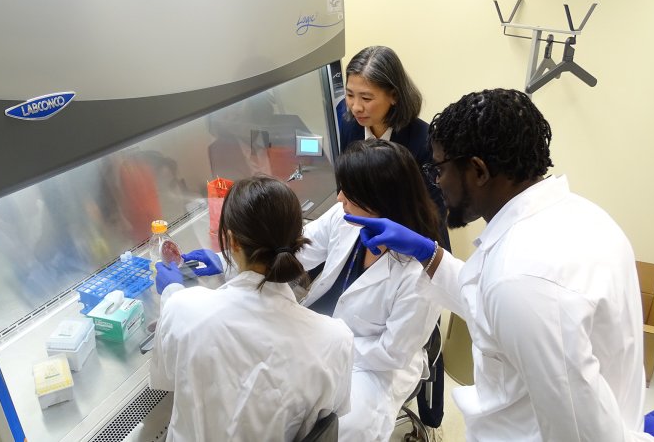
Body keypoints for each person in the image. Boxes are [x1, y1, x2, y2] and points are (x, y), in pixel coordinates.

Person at [346, 88, 654, 441]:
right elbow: (495, 310)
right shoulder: (584, 216)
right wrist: (428, 254)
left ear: (477, 170)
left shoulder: (523, 280)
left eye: (440, 168)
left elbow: (580, 434)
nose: (436, 181)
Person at [149, 175, 354, 442]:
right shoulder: (335, 340)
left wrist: (171, 291)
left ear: (231, 241)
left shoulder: (183, 309)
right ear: (298, 238)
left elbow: (166, 379)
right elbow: (332, 412)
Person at [297, 139, 442, 442]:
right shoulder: (347, 216)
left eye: (348, 193)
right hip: (319, 334)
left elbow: (391, 353)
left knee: (344, 427)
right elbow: (300, 248)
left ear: (380, 200)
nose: (339, 199)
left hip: (373, 366)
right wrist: (234, 258)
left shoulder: (420, 272)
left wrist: (329, 343)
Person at [337, 44, 448, 430]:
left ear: (393, 96)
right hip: (370, 231)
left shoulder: (422, 140)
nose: (356, 107)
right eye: (350, 95)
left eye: (366, 97)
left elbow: (432, 207)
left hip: (415, 236)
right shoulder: (347, 121)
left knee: (415, 317)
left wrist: (410, 240)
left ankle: (431, 413)